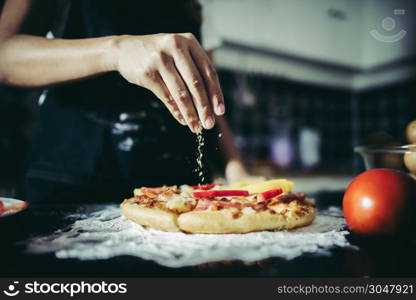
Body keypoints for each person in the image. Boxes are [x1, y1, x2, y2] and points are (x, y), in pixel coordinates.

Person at [0, 0, 257, 203]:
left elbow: (204, 99)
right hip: (72, 183)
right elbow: (5, 56)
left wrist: (235, 168)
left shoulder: (198, 4)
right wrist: (115, 50)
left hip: (180, 190)